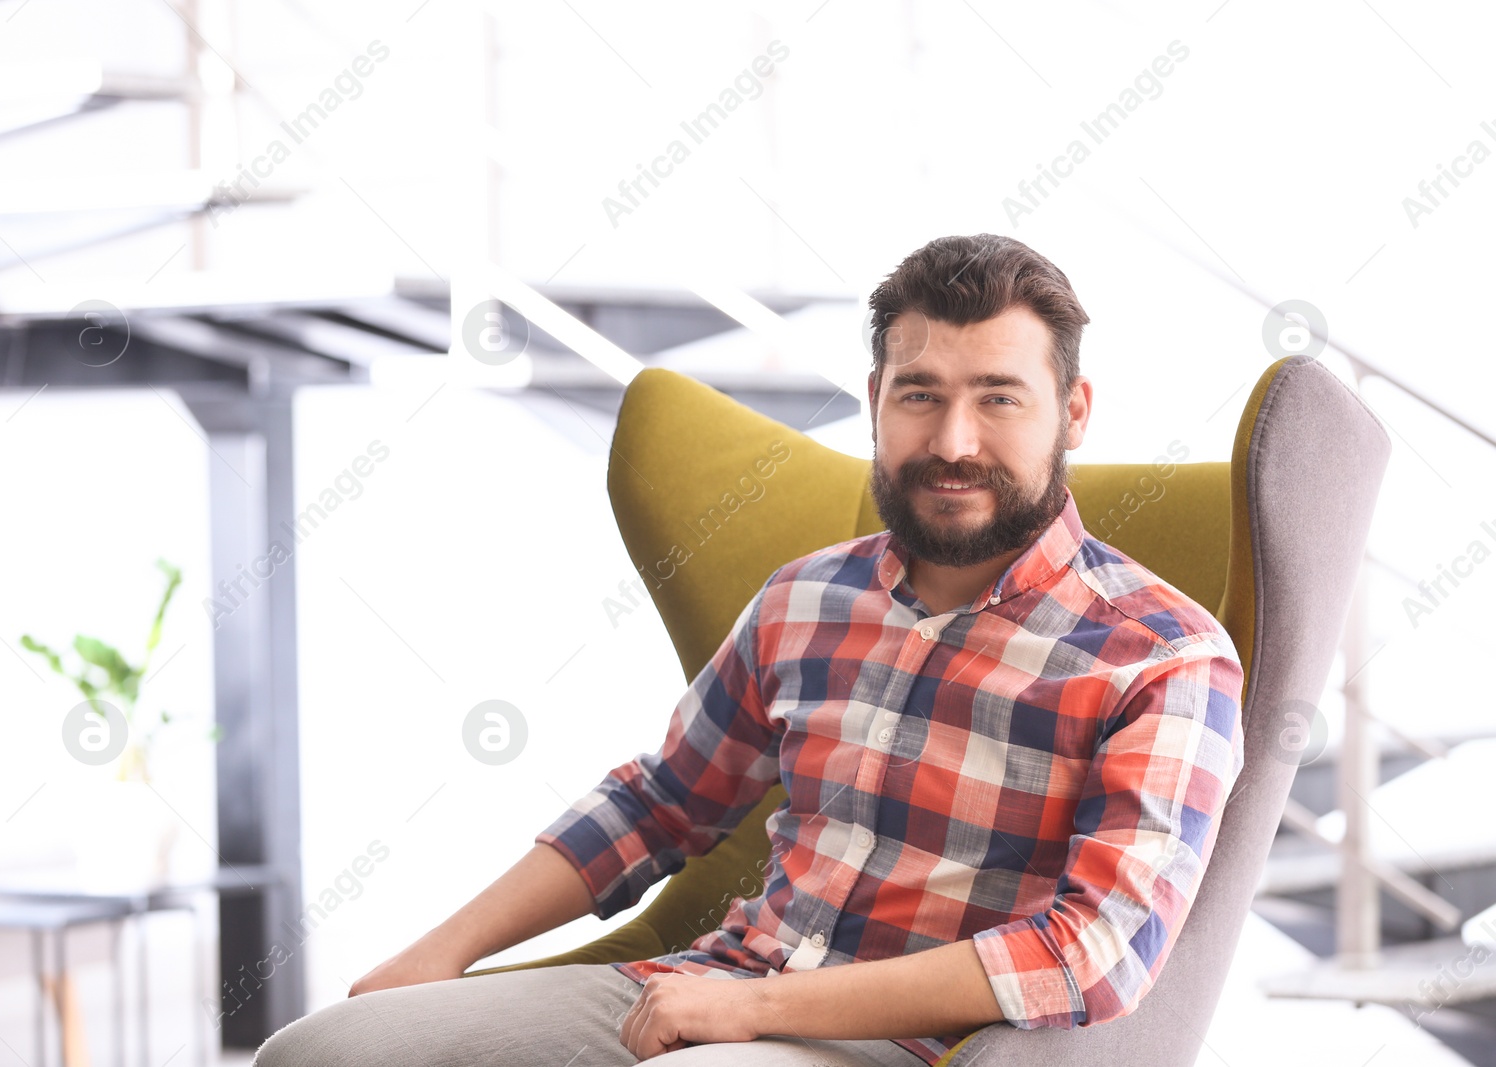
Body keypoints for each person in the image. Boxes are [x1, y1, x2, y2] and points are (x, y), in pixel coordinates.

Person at [253, 233, 1245, 1066]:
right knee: (324, 1051)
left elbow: (1090, 953)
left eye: (998, 397)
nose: (952, 437)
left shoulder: (1159, 655)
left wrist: (757, 1012)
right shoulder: (807, 595)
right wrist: (433, 955)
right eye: (918, 393)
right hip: (714, 981)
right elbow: (657, 805)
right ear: (873, 399)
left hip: (905, 1041)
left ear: (1071, 410)